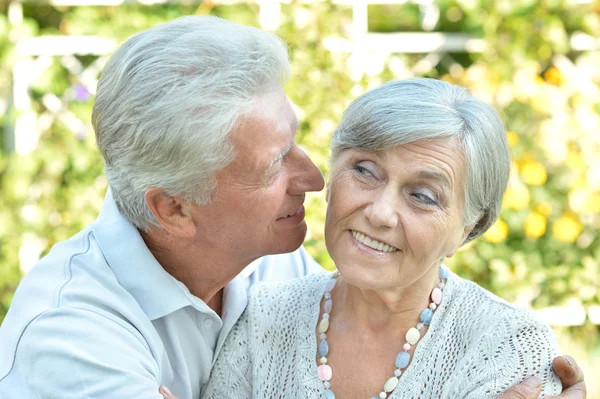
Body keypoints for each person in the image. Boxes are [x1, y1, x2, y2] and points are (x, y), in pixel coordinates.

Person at [0, 16, 586, 399]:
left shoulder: (274, 272)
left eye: (301, 143)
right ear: (176, 210)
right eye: (275, 163)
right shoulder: (69, 339)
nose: (312, 179)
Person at [199, 79, 586, 399]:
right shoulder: (264, 320)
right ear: (332, 178)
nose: (380, 213)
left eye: (423, 196)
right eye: (365, 171)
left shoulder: (508, 347)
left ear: (468, 229)